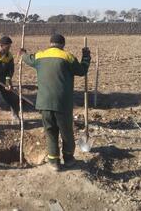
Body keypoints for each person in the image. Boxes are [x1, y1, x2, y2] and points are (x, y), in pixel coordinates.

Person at [20, 34, 91, 171]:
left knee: (50, 132)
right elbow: (82, 71)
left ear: (50, 43)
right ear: (62, 45)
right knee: (66, 132)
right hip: (62, 104)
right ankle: (69, 159)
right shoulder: (68, 57)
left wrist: (23, 53)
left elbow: (27, 59)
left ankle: (54, 162)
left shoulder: (40, 56)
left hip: (44, 104)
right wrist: (86, 56)